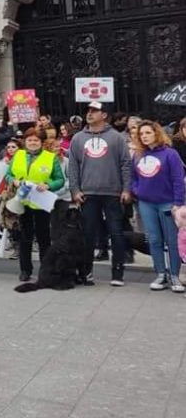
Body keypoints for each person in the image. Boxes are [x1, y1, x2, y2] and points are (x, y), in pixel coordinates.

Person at [69, 101, 132, 286]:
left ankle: (117, 274)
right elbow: (73, 165)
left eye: (94, 111)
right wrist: (75, 189)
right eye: (88, 111)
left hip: (113, 193)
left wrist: (127, 188)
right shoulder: (78, 138)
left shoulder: (116, 138)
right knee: (88, 235)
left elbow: (125, 164)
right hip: (87, 193)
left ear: (104, 115)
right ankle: (86, 272)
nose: (89, 114)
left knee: (116, 233)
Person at [131, 120, 186, 292]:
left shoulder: (170, 154)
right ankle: (160, 274)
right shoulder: (138, 155)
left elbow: (178, 180)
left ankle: (175, 276)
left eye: (148, 132)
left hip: (168, 203)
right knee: (154, 240)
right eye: (141, 134)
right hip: (146, 203)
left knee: (172, 241)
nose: (144, 136)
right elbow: (133, 177)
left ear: (156, 133)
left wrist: (178, 203)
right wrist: (137, 190)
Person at [5, 128, 64, 282]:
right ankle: (25, 270)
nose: (32, 143)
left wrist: (48, 185)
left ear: (42, 142)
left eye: (36, 140)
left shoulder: (51, 158)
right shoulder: (18, 155)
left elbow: (60, 180)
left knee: (44, 237)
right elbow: (8, 174)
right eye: (30, 140)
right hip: (22, 201)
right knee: (25, 237)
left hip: (41, 202)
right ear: (25, 141)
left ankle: (46, 269)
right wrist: (13, 181)